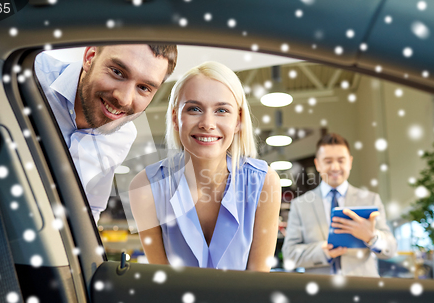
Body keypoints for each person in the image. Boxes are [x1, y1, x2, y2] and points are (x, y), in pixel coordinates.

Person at [129, 61, 281, 271]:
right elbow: (162, 283)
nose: (207, 123)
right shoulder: (145, 187)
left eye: (221, 110)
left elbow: (258, 284)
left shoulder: (264, 182)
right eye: (194, 109)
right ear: (175, 118)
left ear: (238, 120)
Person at [35, 44, 178, 222]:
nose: (124, 99)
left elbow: (90, 208)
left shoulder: (123, 136)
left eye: (143, 88)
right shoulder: (30, 73)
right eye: (117, 72)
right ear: (90, 56)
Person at [283, 133, 397, 277]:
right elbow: (289, 254)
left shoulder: (371, 199)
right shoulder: (300, 205)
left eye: (341, 160)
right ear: (317, 164)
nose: (335, 167)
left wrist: (372, 237)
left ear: (350, 162)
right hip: (320, 293)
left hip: (363, 289)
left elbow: (391, 249)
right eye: (328, 161)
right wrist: (322, 251)